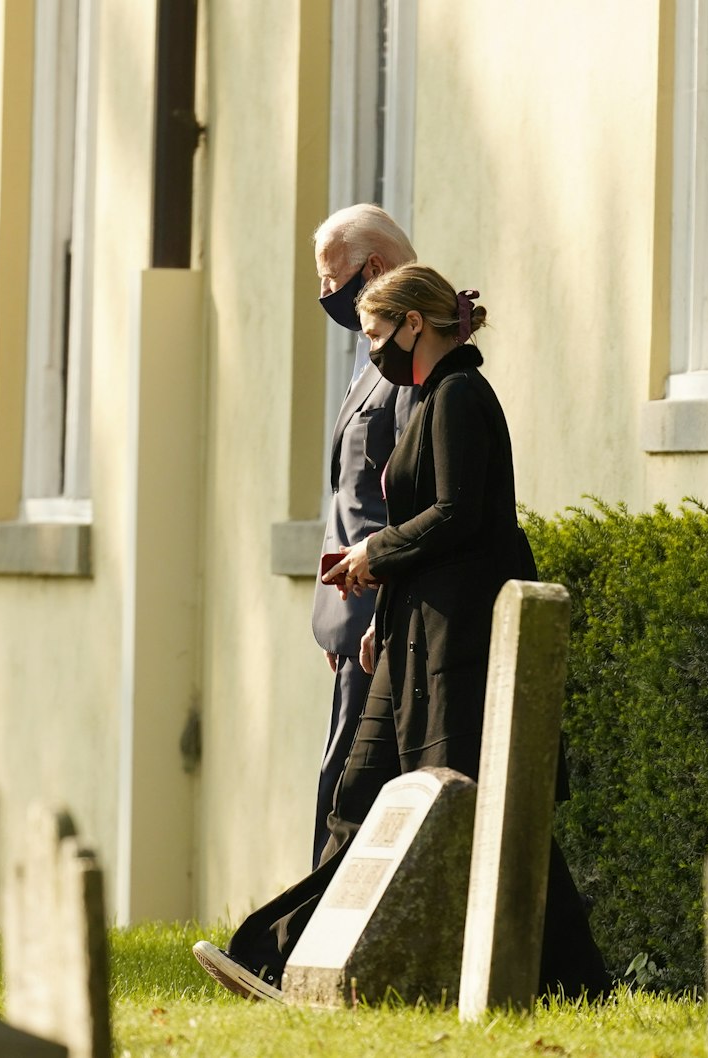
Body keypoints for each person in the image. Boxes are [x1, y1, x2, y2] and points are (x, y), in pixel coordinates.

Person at [193, 265, 612, 1002]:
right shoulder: (430, 398)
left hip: (455, 644)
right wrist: (381, 617)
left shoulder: (457, 396)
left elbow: (458, 514)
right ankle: (282, 959)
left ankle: (577, 986)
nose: (375, 351)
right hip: (411, 635)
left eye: (379, 334)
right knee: (360, 792)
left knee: (486, 810)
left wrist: (371, 554)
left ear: (415, 324)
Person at [306, 204, 419, 867]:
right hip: (356, 618)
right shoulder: (372, 354)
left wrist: (378, 609)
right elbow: (346, 490)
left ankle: (295, 949)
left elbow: (401, 495)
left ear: (371, 270)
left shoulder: (409, 361)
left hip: (381, 611)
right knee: (348, 784)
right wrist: (334, 620)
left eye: (330, 280)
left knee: (349, 792)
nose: (326, 296)